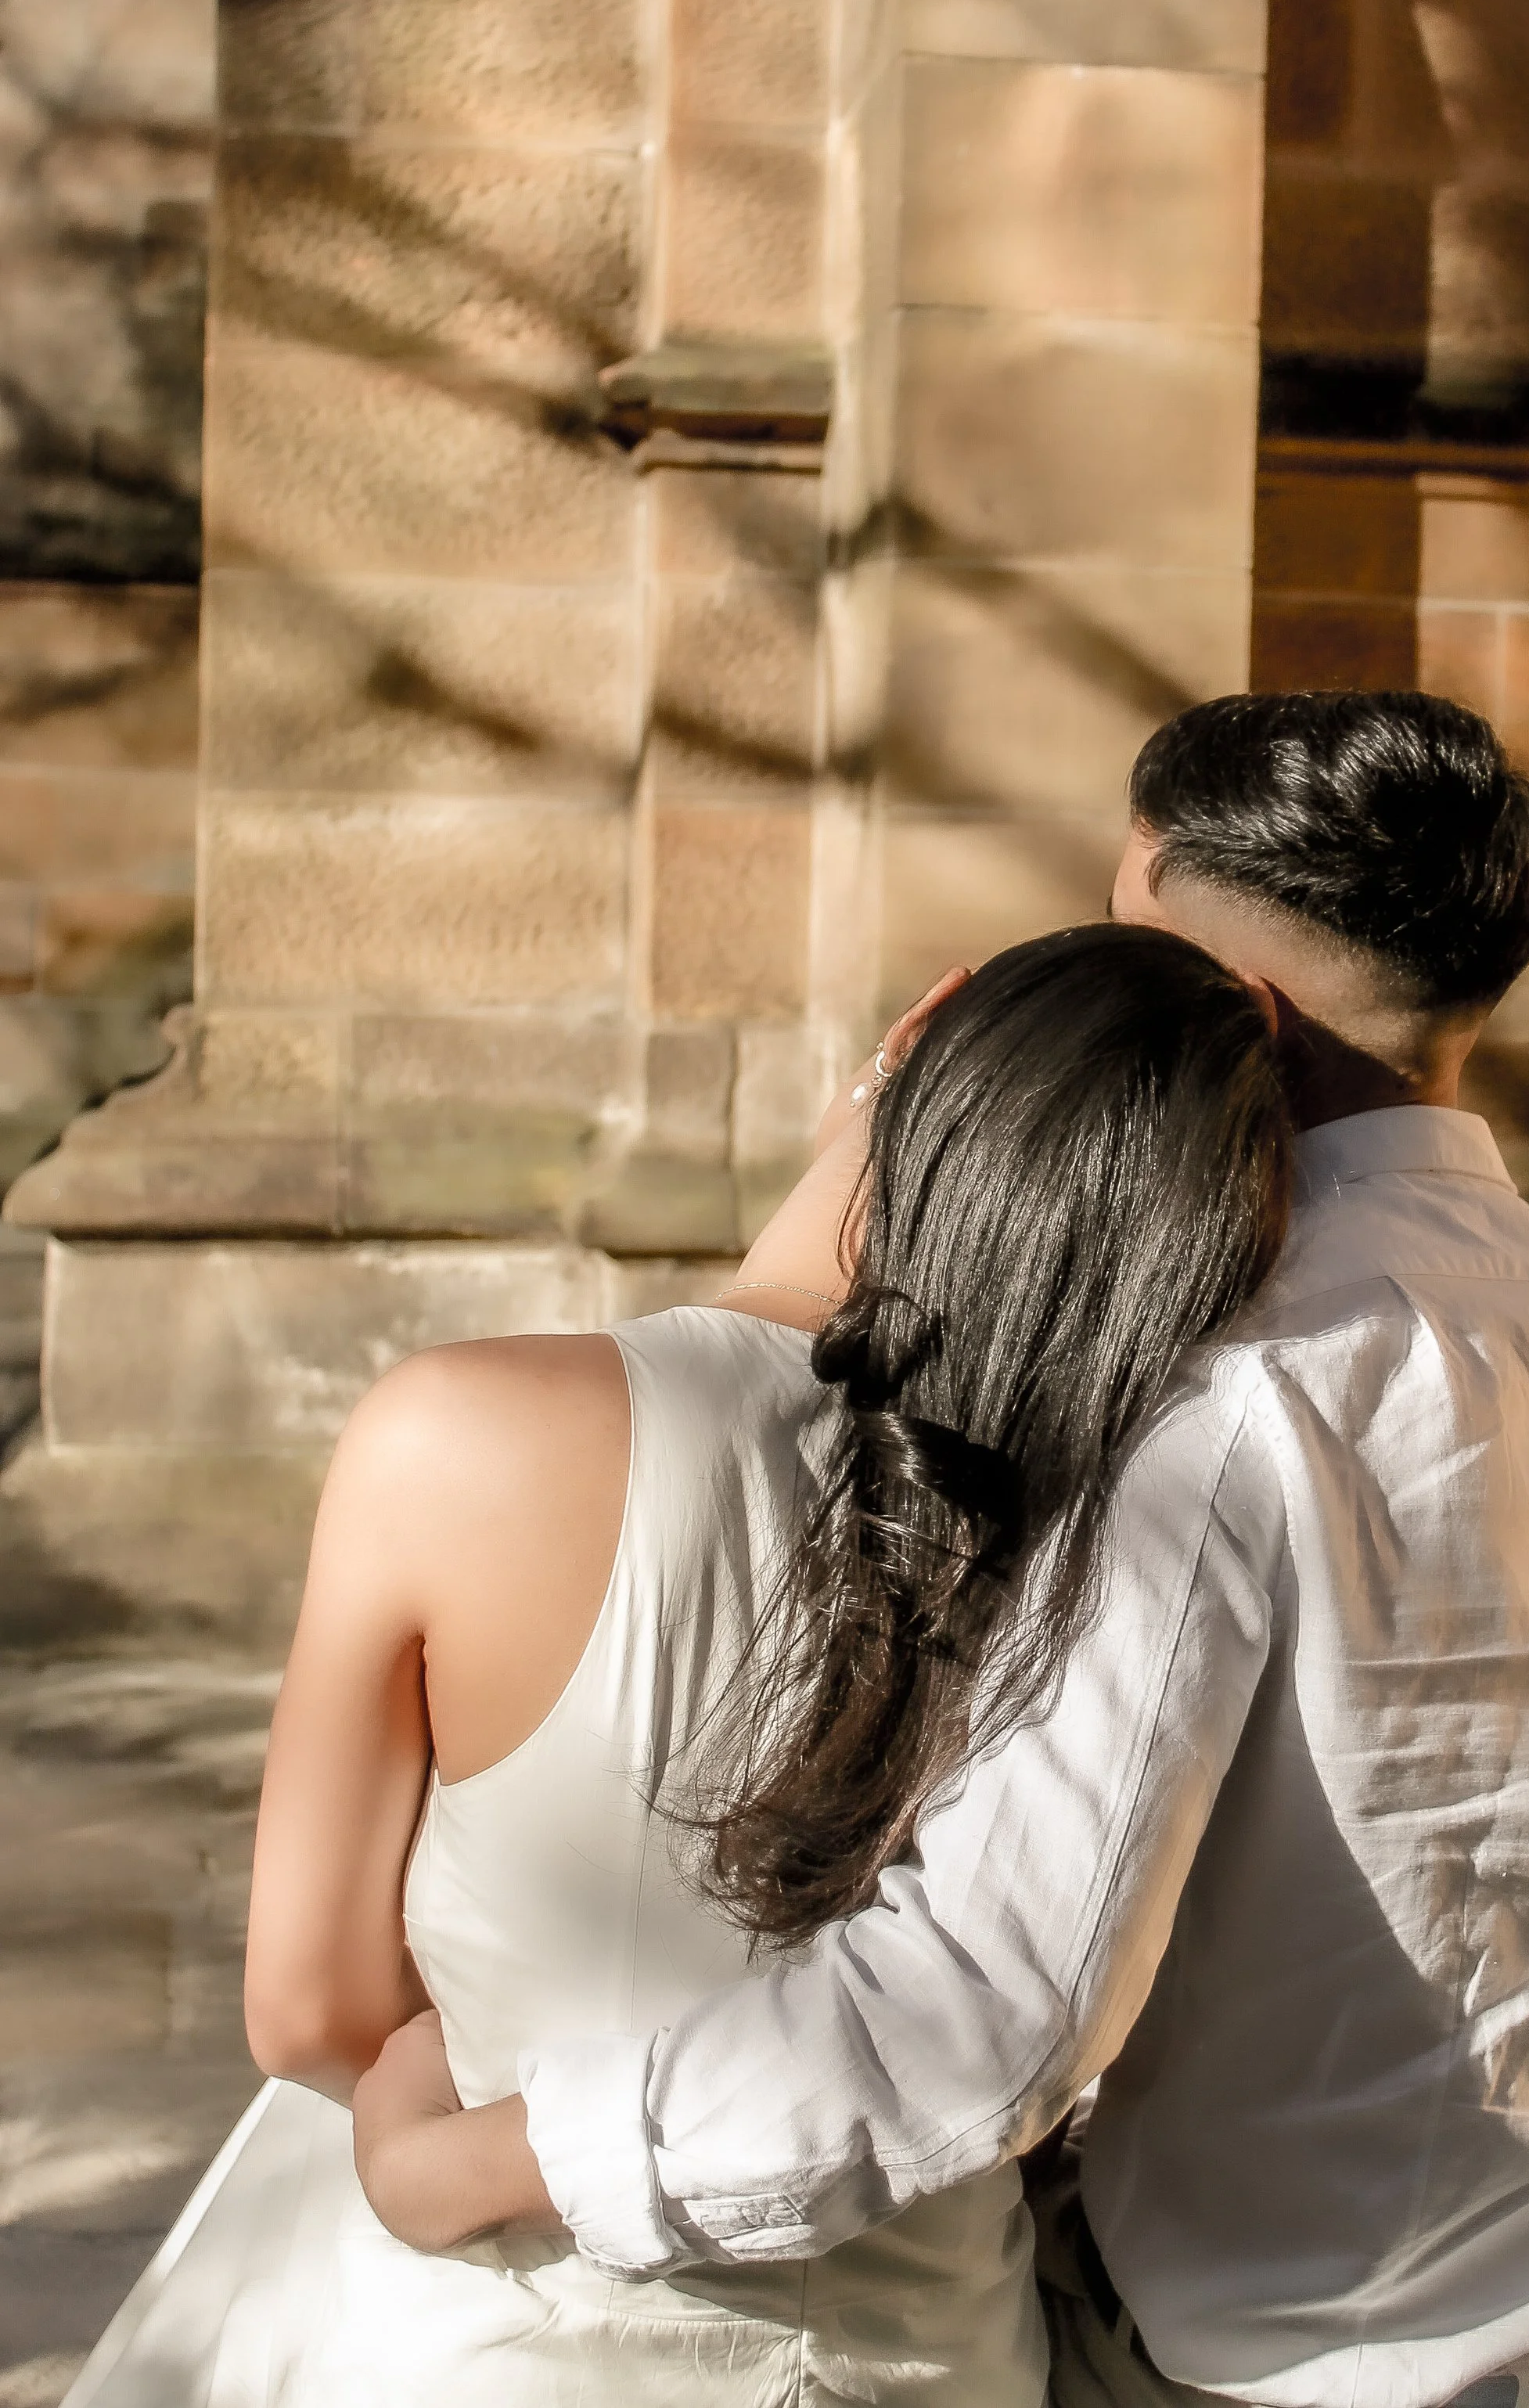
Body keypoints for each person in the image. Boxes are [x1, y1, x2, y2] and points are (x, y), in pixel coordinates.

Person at [355, 690, 1529, 2408]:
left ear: (1225, 1003)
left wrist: (488, 2162)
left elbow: (967, 2019)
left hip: (1325, 2357)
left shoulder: (1210, 1395)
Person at [61, 922, 1290, 2408]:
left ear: (920, 1023)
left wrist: (455, 2118)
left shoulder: (459, 1428)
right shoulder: (1133, 1542)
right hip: (942, 2361)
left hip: (504, 2348)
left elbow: (309, 2009)